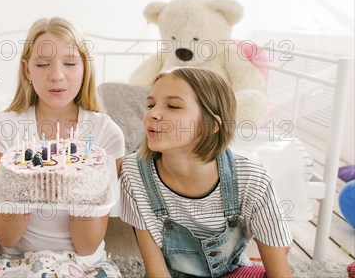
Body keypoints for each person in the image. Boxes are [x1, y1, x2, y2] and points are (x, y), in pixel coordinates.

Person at [120, 67, 293, 278]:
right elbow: (156, 272)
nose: (152, 114)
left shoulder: (252, 179)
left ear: (211, 125)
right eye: (150, 104)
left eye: (173, 106)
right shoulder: (134, 173)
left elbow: (279, 274)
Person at [0, 17, 125, 264]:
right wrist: (27, 179)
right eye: (43, 64)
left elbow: (86, 245)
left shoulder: (107, 135)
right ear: (27, 69)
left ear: (85, 67)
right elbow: (7, 238)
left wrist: (75, 180)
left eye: (70, 63)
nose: (57, 75)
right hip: (18, 263)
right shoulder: (2, 129)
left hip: (83, 264)